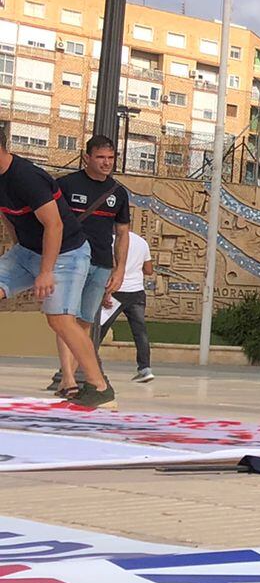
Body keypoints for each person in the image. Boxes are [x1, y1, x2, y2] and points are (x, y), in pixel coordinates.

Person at [0, 124, 114, 407]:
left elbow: (55, 225)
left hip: (66, 254)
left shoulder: (27, 177)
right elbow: (8, 216)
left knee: (61, 320)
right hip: (27, 251)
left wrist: (46, 271)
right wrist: (19, 250)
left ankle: (99, 388)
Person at [54, 136, 131, 397]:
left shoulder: (118, 193)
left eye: (110, 158)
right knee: (65, 318)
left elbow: (122, 234)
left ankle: (70, 378)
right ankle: (67, 378)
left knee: (85, 322)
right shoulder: (65, 185)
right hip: (69, 260)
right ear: (87, 157)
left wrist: (119, 269)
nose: (106, 162)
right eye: (100, 157)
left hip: (100, 262)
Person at [96, 226, 155, 383]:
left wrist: (105, 293)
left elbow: (110, 269)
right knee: (140, 332)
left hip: (116, 291)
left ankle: (88, 364)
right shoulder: (142, 243)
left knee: (99, 328)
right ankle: (145, 368)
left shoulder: (112, 242)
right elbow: (149, 270)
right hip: (136, 292)